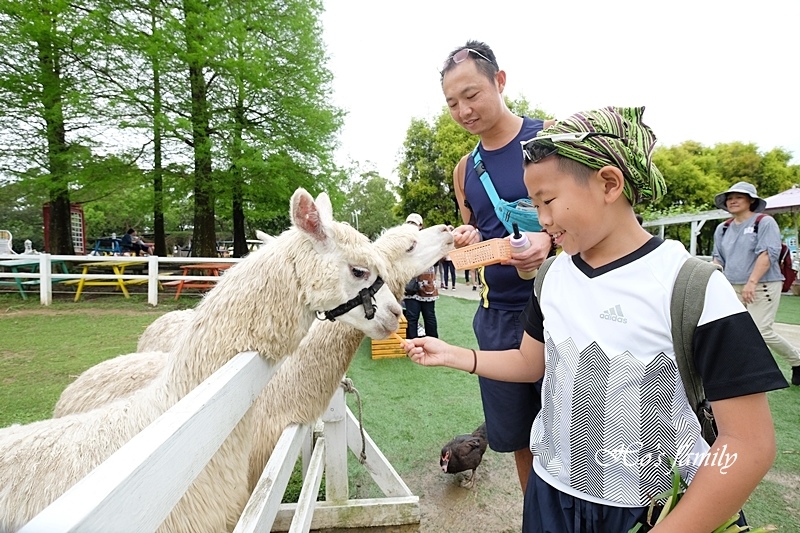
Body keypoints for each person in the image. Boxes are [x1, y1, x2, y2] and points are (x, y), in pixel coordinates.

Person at [404, 106, 787, 532]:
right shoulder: (552, 276)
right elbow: (533, 363)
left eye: (547, 201)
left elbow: (749, 443)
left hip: (646, 508)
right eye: (534, 205)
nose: (542, 219)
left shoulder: (691, 286)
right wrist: (455, 355)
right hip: (550, 496)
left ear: (609, 183)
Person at [441, 39, 554, 492]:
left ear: (500, 81)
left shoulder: (550, 139)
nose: (463, 110)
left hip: (559, 311)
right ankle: (536, 519)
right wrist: (466, 239)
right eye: (452, 103)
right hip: (497, 321)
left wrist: (548, 238)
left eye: (471, 95)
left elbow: (596, 220)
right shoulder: (465, 168)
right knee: (519, 437)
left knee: (580, 434)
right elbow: (476, 232)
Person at [712, 181, 800, 386]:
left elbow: (768, 253)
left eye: (738, 197)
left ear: (751, 201)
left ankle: (797, 360)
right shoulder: (722, 228)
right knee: (735, 330)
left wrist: (752, 282)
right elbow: (718, 258)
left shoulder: (765, 222)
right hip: (731, 285)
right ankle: (739, 372)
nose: (732, 201)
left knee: (761, 330)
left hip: (763, 285)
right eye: (729, 198)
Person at [402, 213, 439, 339]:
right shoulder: (402, 241)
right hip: (410, 285)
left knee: (429, 316)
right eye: (409, 223)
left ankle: (433, 343)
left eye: (414, 223)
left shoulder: (429, 240)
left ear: (421, 226)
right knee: (412, 317)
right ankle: (413, 344)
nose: (411, 226)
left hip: (427, 284)